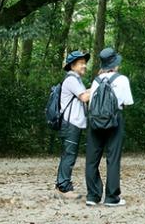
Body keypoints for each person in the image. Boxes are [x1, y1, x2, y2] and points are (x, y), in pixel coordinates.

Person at [85, 47, 134, 207]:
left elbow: (90, 103)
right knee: (113, 159)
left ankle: (92, 196)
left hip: (95, 122)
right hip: (115, 120)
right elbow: (127, 102)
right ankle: (112, 197)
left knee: (92, 159)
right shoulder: (122, 80)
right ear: (115, 64)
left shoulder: (96, 80)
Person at [55, 50, 91, 199]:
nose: (84, 66)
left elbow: (85, 93)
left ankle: (62, 186)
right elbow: (84, 97)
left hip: (73, 124)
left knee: (69, 154)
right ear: (73, 65)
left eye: (84, 63)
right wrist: (100, 85)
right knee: (69, 155)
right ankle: (63, 188)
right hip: (70, 124)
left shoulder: (76, 79)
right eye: (81, 63)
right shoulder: (71, 80)